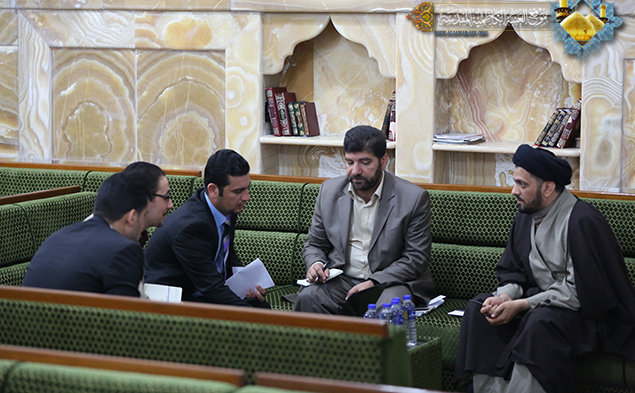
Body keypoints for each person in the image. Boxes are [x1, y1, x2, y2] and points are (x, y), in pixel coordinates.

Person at [454, 145, 635, 393]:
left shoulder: (582, 220)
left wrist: (523, 305)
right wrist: (505, 297)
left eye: (522, 184)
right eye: (515, 182)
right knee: (479, 310)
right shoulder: (525, 215)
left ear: (548, 188)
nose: (514, 190)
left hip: (582, 315)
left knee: (540, 322)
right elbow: (513, 270)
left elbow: (583, 291)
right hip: (538, 307)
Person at [294, 125, 434, 314]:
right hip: (342, 279)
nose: (355, 171)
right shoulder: (329, 192)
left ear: (383, 161)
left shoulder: (413, 198)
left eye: (365, 162)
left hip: (389, 282)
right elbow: (314, 244)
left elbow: (416, 257)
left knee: (389, 307)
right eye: (349, 162)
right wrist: (315, 263)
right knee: (308, 297)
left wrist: (373, 282)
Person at [143, 149, 269, 307]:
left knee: (260, 304)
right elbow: (211, 287)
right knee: (257, 314)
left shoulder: (227, 207)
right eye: (238, 191)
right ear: (213, 190)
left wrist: (247, 284)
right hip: (175, 299)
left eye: (247, 188)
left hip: (202, 288)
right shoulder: (192, 227)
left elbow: (226, 253)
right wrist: (253, 314)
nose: (247, 197)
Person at [22, 172, 154, 296]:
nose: (143, 225)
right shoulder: (124, 250)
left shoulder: (58, 237)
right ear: (132, 217)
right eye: (144, 215)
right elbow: (127, 310)